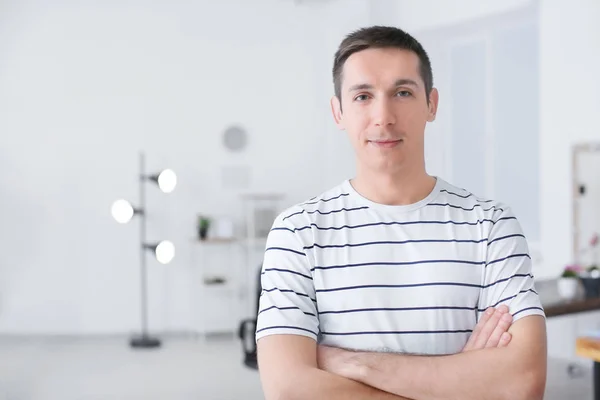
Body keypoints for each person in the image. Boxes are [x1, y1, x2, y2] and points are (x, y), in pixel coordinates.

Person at [255, 25, 547, 400]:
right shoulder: (297, 233)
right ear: (338, 111)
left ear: (431, 104)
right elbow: (288, 389)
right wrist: (461, 382)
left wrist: (355, 364)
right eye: (362, 96)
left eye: (403, 92)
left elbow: (522, 383)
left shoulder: (491, 226)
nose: (383, 116)